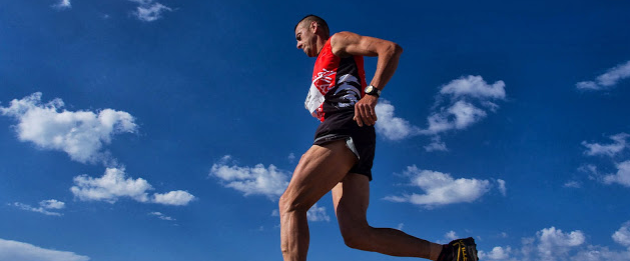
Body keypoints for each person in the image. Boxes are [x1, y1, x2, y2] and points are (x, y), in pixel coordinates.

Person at [278, 15, 479, 261]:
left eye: (299, 37)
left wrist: (372, 93)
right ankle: (449, 253)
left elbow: (390, 49)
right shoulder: (322, 65)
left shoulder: (337, 42)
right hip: (349, 136)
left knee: (291, 203)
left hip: (344, 128)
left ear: (314, 28)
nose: (298, 44)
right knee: (356, 235)